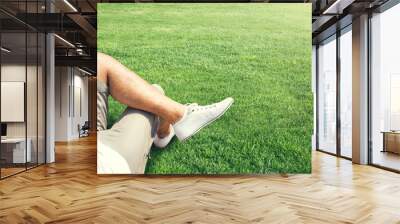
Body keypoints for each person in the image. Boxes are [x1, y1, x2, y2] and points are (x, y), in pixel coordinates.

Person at [97, 52, 234, 174]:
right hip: (105, 161)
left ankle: (172, 125)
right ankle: (177, 120)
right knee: (153, 93)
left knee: (99, 62)